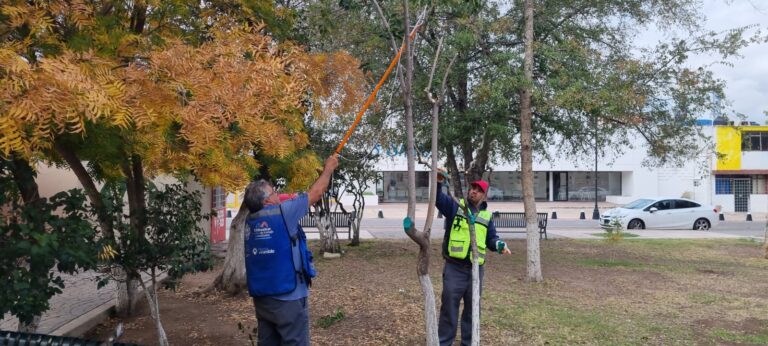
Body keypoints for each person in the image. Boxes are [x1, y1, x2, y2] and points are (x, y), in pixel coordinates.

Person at [242, 154, 339, 346]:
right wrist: (329, 168)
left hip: (262, 298)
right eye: (273, 193)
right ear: (267, 201)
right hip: (288, 298)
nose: (277, 195)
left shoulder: (250, 221)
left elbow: (292, 198)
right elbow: (316, 193)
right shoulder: (284, 213)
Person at [435, 171, 512, 346]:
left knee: (472, 309)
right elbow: (438, 199)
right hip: (454, 267)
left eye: (478, 190)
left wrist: (499, 244)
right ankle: (444, 342)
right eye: (472, 188)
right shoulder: (457, 207)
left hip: (476, 271)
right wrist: (438, 182)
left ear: (484, 196)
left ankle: (469, 342)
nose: (474, 191)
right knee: (449, 306)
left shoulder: (486, 216)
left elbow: (491, 239)